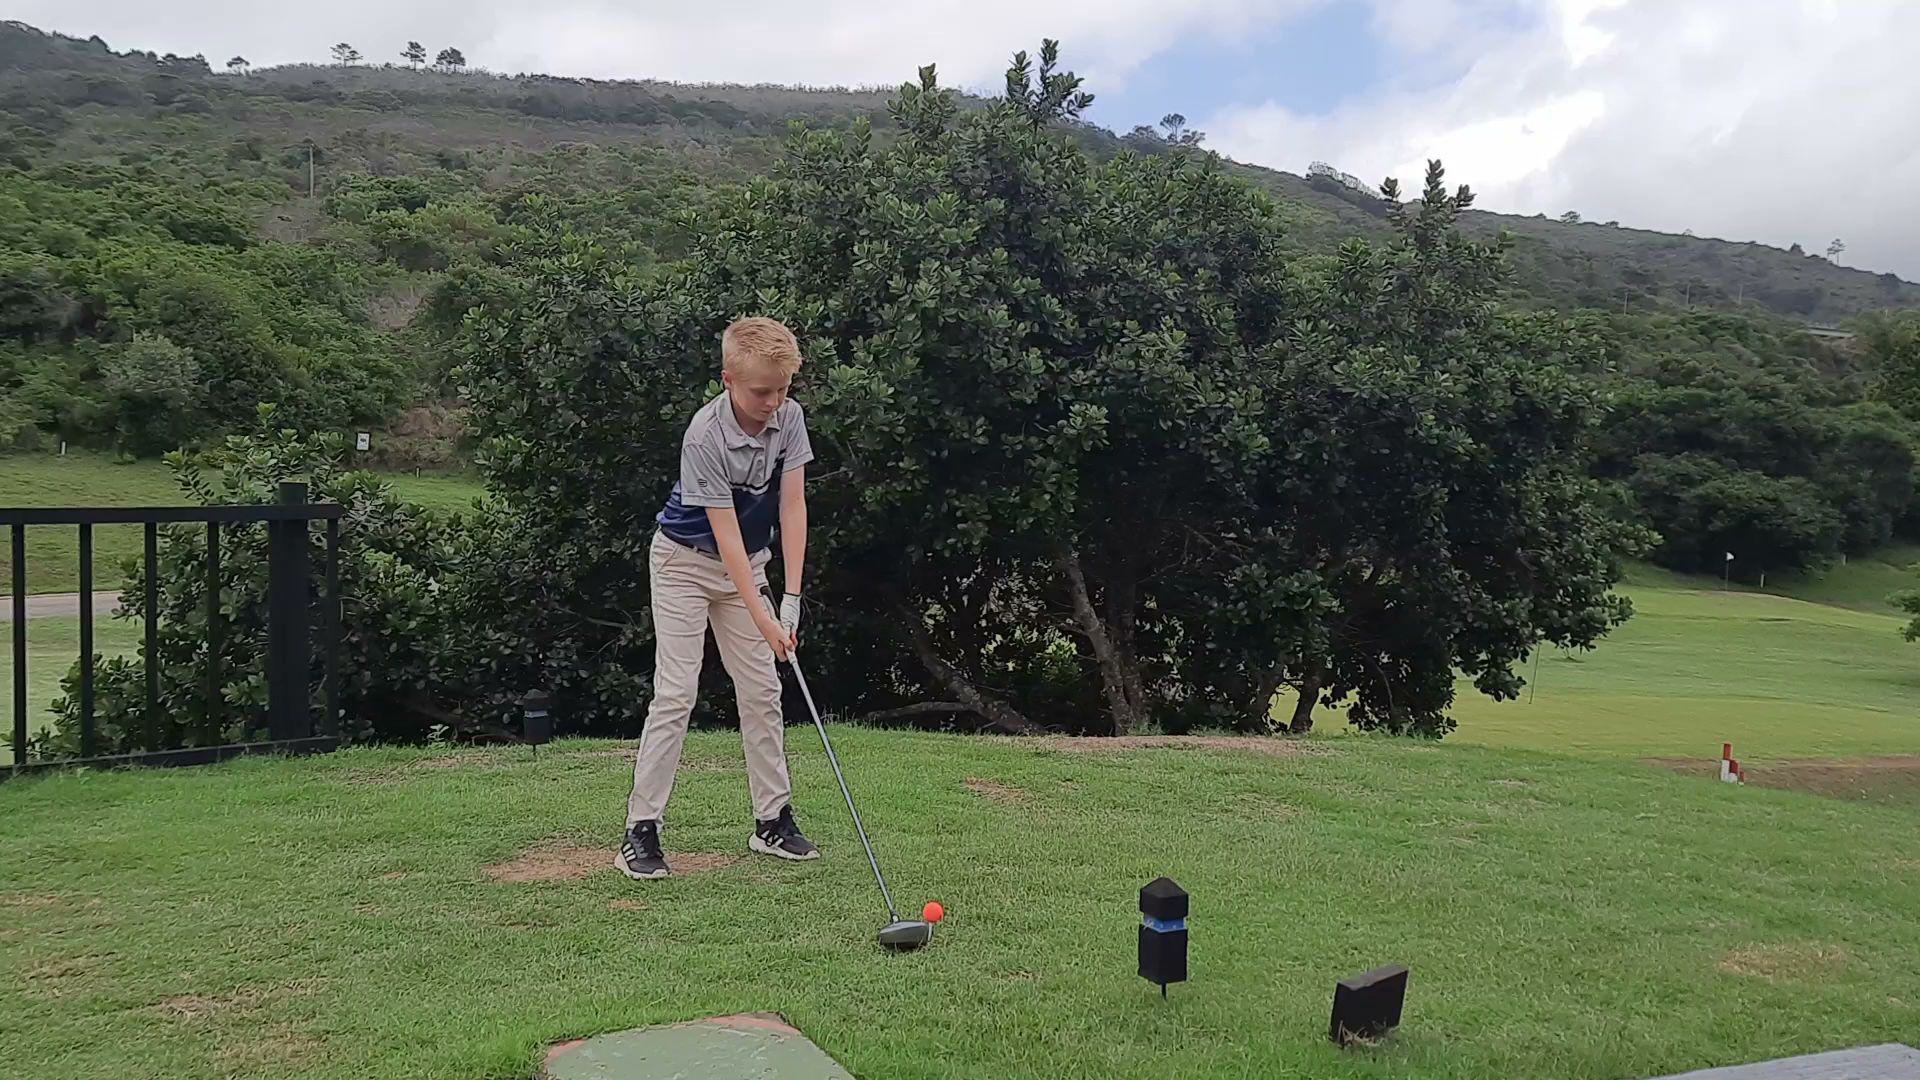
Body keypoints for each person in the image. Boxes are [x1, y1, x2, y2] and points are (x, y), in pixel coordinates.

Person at [617, 316, 819, 880]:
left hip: (748, 567)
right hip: (683, 564)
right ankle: (641, 828)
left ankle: (772, 821)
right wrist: (765, 616)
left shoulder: (791, 419)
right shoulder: (703, 434)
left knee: (761, 691)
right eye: (762, 391)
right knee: (676, 693)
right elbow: (725, 533)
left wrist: (792, 602)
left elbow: (793, 508)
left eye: (783, 388)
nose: (774, 402)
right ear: (728, 379)